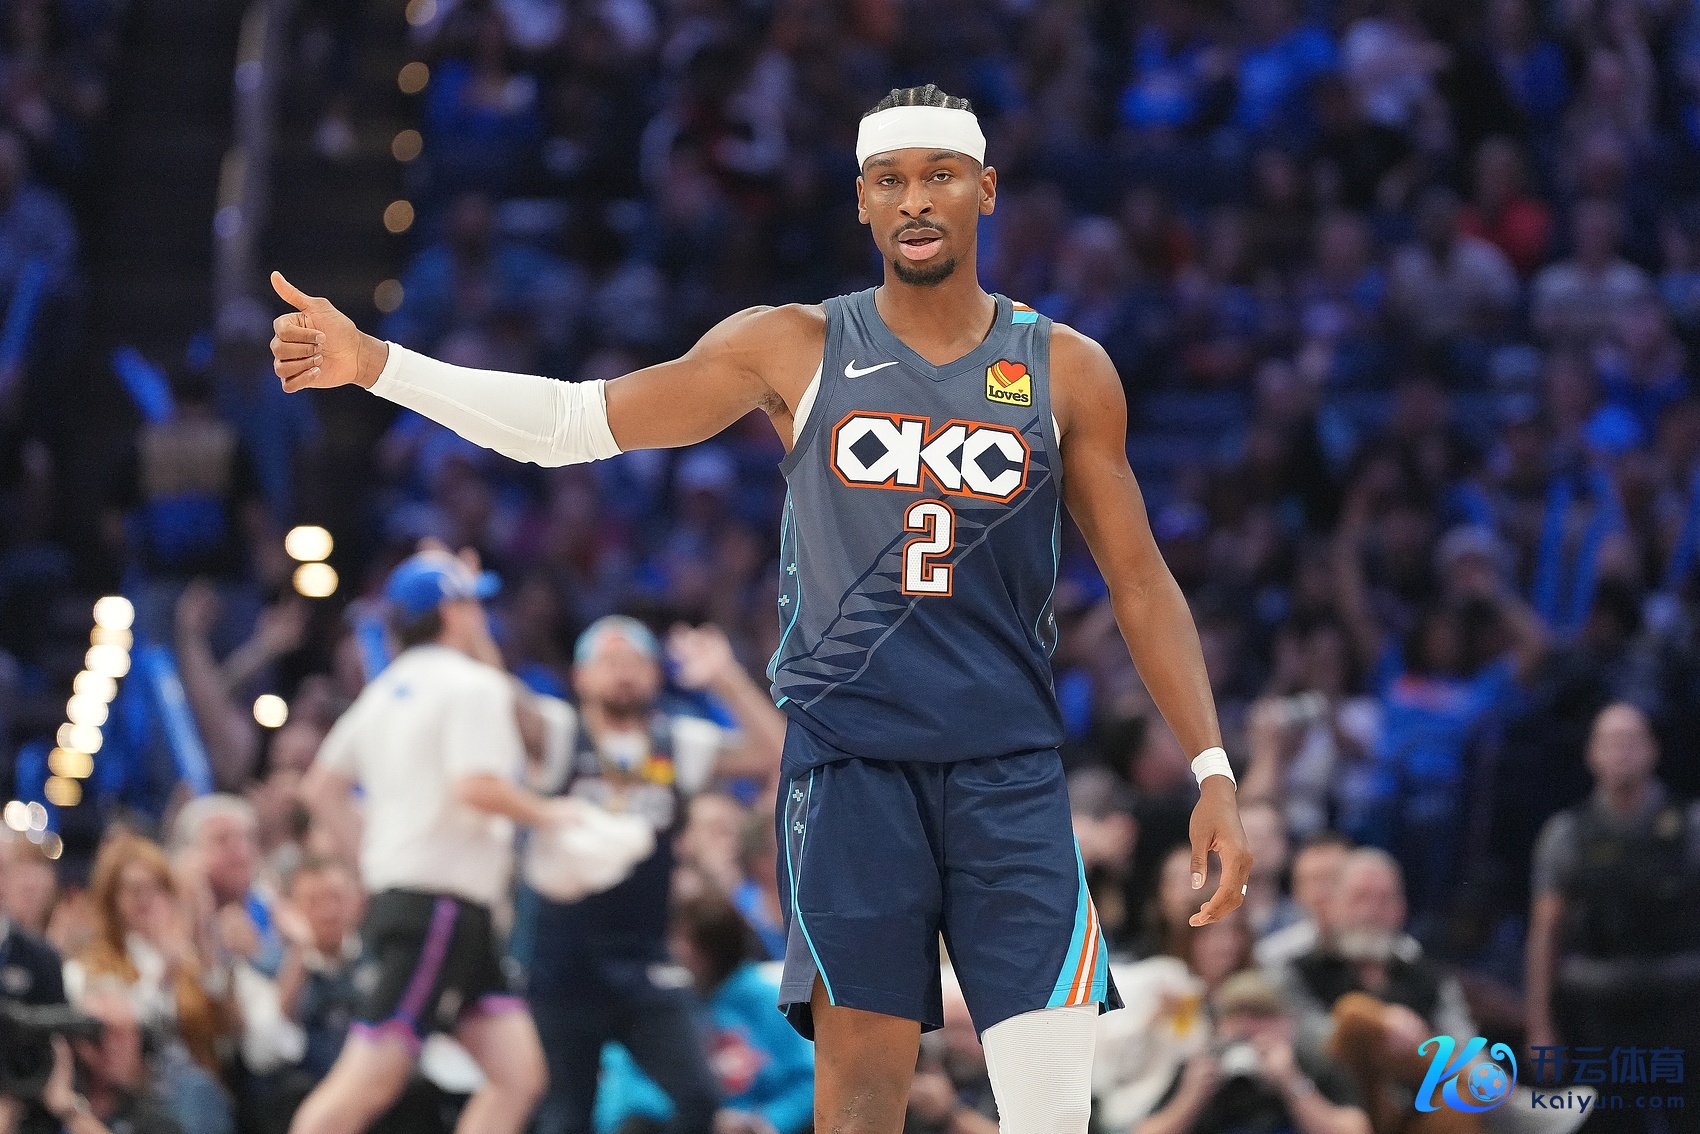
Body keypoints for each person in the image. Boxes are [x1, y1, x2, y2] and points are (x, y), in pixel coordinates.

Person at [268, 82, 1252, 1134]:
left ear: (986, 190)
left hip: (1006, 766)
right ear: (861, 202)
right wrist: (378, 366)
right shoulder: (793, 345)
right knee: (860, 1108)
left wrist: (1211, 767)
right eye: (889, 181)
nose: (916, 200)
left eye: (940, 176)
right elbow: (569, 423)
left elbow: (1140, 581)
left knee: (1053, 1115)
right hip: (849, 769)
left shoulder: (1065, 367)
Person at [285, 548, 563, 1134]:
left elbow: (320, 788)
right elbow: (477, 786)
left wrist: (376, 861)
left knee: (517, 1074)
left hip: (432, 906)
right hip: (440, 907)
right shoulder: (474, 685)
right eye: (473, 605)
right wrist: (558, 816)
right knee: (370, 1080)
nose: (483, 617)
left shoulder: (383, 691)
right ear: (454, 614)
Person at [520, 616, 785, 1134]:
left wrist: (725, 678)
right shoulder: (557, 734)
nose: (623, 673)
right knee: (566, 1115)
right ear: (580, 676)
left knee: (700, 1098)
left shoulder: (678, 741)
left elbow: (773, 752)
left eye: (636, 662)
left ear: (656, 675)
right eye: (609, 662)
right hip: (559, 960)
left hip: (644, 958)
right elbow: (504, 702)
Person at [1524, 703, 1700, 1133]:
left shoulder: (1692, 826)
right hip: (1596, 1011)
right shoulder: (1566, 834)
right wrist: (1539, 1023)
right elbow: (1545, 933)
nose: (1622, 752)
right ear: (1591, 754)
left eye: (1632, 741)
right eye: (1610, 742)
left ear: (1653, 750)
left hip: (1680, 1004)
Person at [1134, 971, 1370, 1134]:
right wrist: (1191, 1098)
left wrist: (1292, 1083)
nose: (1247, 1026)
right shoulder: (1202, 1068)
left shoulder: (1312, 1064)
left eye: (1260, 1014)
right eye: (1234, 1014)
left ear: (1287, 1023)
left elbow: (1356, 1129)